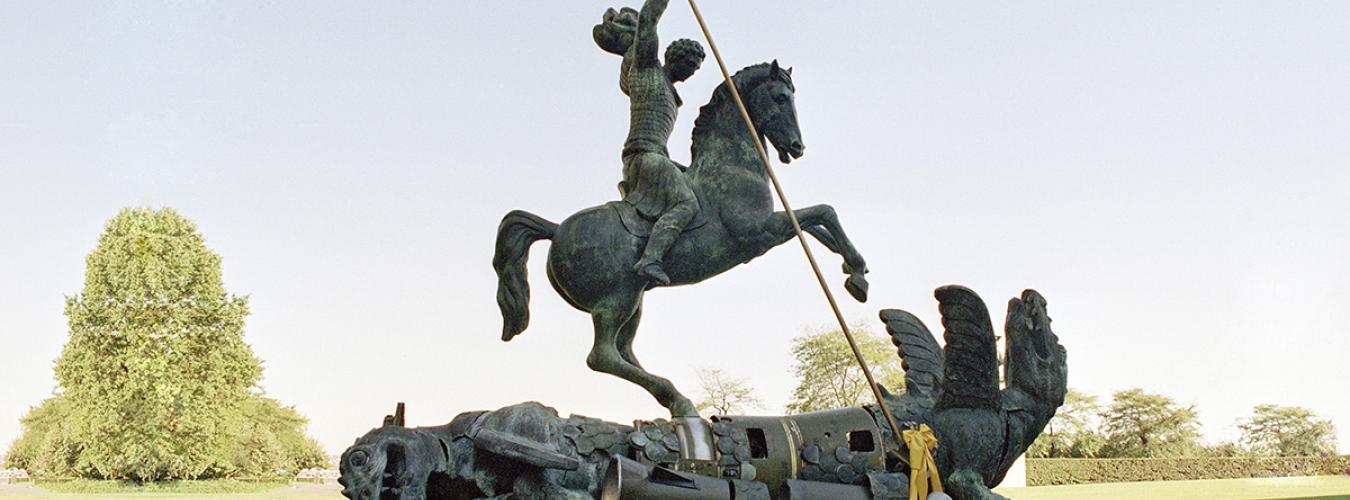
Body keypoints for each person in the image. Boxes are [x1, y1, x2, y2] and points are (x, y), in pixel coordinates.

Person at [593, 0, 705, 285]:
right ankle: (650, 258)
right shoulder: (646, 67)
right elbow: (649, 19)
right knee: (686, 204)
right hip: (643, 156)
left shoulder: (671, 94)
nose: (691, 70)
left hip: (657, 157)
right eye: (689, 62)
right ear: (672, 56)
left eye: (696, 67)